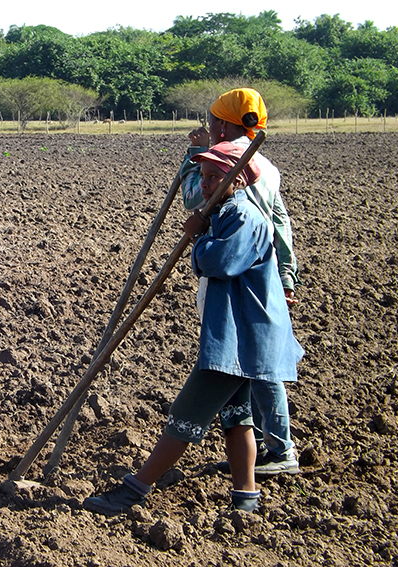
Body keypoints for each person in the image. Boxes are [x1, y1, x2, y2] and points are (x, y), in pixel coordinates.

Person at [84, 142, 304, 516]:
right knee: (237, 419)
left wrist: (197, 235)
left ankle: (134, 491)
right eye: (203, 176)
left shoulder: (244, 217)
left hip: (241, 340)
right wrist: (203, 227)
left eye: (215, 176)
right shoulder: (226, 212)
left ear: (237, 179)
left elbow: (220, 261)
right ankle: (246, 499)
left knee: (186, 414)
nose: (206, 184)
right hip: (242, 336)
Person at [178, 88, 301, 475]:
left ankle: (279, 449)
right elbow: (281, 221)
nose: (209, 127)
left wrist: (189, 161)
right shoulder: (269, 165)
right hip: (261, 272)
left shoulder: (228, 164)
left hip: (236, 273)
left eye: (213, 120)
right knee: (257, 359)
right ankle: (261, 447)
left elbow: (193, 199)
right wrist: (287, 274)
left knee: (256, 362)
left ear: (225, 124)